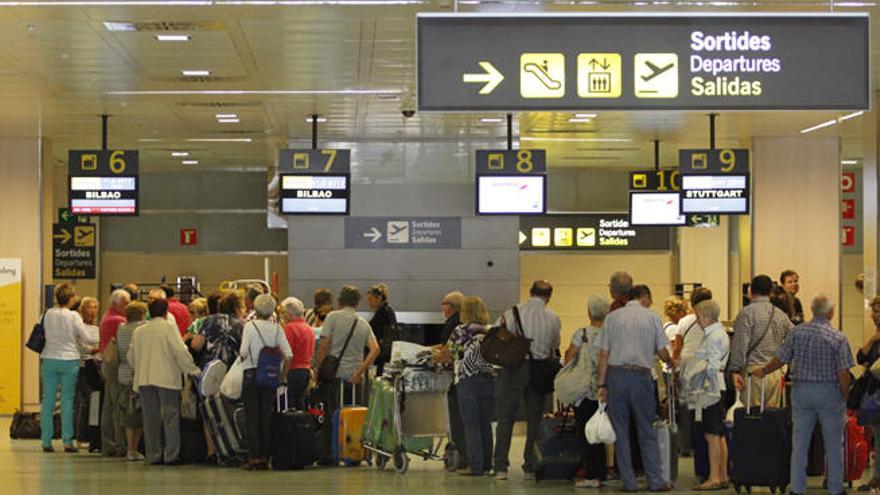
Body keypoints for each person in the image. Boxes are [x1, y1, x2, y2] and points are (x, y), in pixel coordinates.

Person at [753, 294, 854, 495]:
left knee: (799, 443)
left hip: (801, 391)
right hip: (829, 393)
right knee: (833, 444)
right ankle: (835, 488)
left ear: (813, 310)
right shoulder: (838, 337)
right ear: (830, 312)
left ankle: (797, 488)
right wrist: (845, 395)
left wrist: (763, 370)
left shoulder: (797, 333)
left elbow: (780, 359)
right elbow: (843, 372)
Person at [596, 271, 674, 492]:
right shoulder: (652, 317)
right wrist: (670, 361)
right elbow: (662, 350)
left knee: (620, 431)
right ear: (642, 297)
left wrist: (601, 385)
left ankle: (628, 482)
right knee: (646, 430)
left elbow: (603, 354)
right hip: (641, 377)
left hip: (616, 376)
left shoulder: (612, 318)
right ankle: (655, 481)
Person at [493, 280, 562, 481]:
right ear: (549, 296)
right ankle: (530, 465)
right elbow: (554, 344)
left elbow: (498, 333)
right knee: (535, 419)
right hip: (539, 369)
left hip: (515, 367)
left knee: (506, 417)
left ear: (530, 292)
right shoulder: (553, 317)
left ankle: (500, 467)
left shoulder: (513, 312)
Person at [128, 298, 201, 465]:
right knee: (170, 416)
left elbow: (131, 357)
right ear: (166, 312)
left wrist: (140, 368)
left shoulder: (138, 331)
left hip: (144, 379)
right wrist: (193, 370)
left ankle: (153, 454)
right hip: (166, 378)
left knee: (150, 418)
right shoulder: (169, 328)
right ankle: (171, 455)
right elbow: (180, 352)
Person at [313, 285, 380, 465]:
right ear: (357, 303)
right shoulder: (363, 323)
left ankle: (330, 454)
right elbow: (375, 350)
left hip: (334, 376)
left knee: (331, 414)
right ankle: (353, 453)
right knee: (354, 415)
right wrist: (360, 371)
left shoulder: (333, 317)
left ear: (339, 301)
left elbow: (325, 345)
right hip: (355, 379)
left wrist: (317, 367)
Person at [40, 283, 99, 453]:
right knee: (67, 402)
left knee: (48, 401)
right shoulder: (74, 316)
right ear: (71, 298)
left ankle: (46, 441)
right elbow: (87, 338)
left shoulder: (48, 313)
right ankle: (67, 441)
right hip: (70, 361)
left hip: (49, 359)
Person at [240, 294, 293, 470]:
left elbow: (243, 352)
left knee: (252, 417)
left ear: (255, 309)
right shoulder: (277, 328)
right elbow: (289, 355)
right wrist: (282, 376)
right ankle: (265, 457)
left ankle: (253, 458)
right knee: (266, 416)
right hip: (270, 376)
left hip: (251, 374)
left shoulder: (249, 326)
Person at [564, 294, 610, 489]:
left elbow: (568, 357)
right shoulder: (609, 334)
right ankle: (602, 471)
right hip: (604, 388)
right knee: (602, 431)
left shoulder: (581, 334)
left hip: (583, 391)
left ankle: (592, 475)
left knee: (587, 433)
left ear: (589, 312)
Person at [729, 275, 794, 407]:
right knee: (771, 419)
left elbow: (740, 344)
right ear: (770, 292)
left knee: (752, 417)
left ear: (751, 291)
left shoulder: (747, 313)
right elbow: (794, 337)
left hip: (754, 372)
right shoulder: (780, 314)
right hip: (775, 371)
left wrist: (735, 370)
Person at [448, 296, 495, 477]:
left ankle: (475, 466)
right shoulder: (489, 331)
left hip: (468, 381)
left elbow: (451, 353)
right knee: (485, 424)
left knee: (471, 424)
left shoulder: (461, 331)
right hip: (489, 380)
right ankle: (486, 465)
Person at [688, 300, 730, 491]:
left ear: (705, 317)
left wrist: (702, 381)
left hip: (709, 388)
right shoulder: (720, 333)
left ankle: (714, 477)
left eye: (698, 316)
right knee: (719, 434)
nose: (697, 320)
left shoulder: (713, 336)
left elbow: (712, 365)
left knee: (711, 434)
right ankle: (722, 475)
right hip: (717, 387)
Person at [98, 288, 130, 457]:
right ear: (116, 304)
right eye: (126, 303)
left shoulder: (106, 317)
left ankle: (108, 443)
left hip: (107, 364)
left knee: (109, 405)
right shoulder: (118, 320)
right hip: (115, 365)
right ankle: (120, 443)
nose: (128, 306)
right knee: (119, 404)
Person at [116, 301, 147, 462]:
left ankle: (130, 447)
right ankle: (135, 448)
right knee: (139, 414)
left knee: (128, 414)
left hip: (123, 373)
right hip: (137, 374)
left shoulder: (121, 328)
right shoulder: (141, 329)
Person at [439, 290, 467, 469]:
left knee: (458, 419)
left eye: (444, 303)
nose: (442, 307)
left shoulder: (455, 326)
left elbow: (446, 350)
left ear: (452, 306)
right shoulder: (478, 328)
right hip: (476, 379)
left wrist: (429, 354)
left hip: (459, 378)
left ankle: (464, 457)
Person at [857, 296, 880, 490]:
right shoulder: (876, 336)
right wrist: (872, 339)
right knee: (877, 436)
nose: (875, 315)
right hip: (875, 391)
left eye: (878, 311)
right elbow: (861, 357)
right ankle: (876, 477)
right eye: (873, 311)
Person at [74, 297, 101, 452]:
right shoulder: (78, 327)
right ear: (82, 310)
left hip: (97, 368)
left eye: (95, 307)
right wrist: (96, 348)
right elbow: (81, 348)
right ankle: (81, 435)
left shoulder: (98, 328)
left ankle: (93, 436)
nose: (92, 311)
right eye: (89, 307)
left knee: (95, 402)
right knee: (85, 402)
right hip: (84, 368)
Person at [191, 291, 244, 368]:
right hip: (232, 369)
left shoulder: (209, 320)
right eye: (243, 307)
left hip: (210, 368)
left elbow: (196, 345)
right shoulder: (241, 325)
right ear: (237, 308)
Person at [280, 297, 315, 410]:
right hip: (306, 371)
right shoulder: (309, 329)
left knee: (290, 405)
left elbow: (287, 353)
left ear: (290, 314)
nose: (283, 316)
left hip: (293, 371)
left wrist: (282, 375)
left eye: (284, 313)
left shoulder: (289, 328)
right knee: (301, 403)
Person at [367, 283, 397, 374]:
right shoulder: (388, 311)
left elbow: (383, 335)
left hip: (381, 354)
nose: (369, 303)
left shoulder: (382, 313)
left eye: (370, 300)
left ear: (379, 298)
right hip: (386, 353)